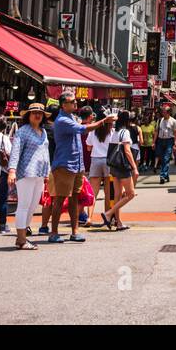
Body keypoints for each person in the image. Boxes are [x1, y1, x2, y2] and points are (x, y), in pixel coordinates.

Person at [48, 91, 106, 243]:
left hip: (76, 164)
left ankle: (75, 231)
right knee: (60, 200)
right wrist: (103, 121)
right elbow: (83, 129)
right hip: (65, 165)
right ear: (63, 104)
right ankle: (53, 232)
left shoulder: (71, 117)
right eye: (72, 101)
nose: (75, 103)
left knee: (75, 199)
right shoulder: (62, 120)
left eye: (75, 101)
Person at [7, 104, 52, 250]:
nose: (37, 115)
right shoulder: (23, 131)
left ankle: (23, 238)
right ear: (28, 115)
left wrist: (47, 173)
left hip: (39, 174)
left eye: (40, 113)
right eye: (34, 113)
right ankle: (21, 239)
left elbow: (45, 153)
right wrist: (12, 170)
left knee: (32, 207)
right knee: (24, 206)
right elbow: (15, 151)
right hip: (26, 173)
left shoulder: (43, 131)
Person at [105, 110, 138, 230]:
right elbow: (127, 151)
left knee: (118, 195)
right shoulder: (125, 132)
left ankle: (118, 222)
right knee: (131, 194)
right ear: (127, 120)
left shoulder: (115, 132)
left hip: (114, 166)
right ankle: (109, 214)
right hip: (123, 166)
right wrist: (134, 167)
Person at [86, 115, 117, 227]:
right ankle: (106, 217)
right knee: (108, 193)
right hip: (108, 161)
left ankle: (89, 217)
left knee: (93, 192)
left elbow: (88, 147)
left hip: (95, 160)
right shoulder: (113, 132)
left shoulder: (93, 131)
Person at [154, 102, 176, 183]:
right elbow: (156, 132)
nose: (163, 114)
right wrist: (154, 142)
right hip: (160, 140)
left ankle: (162, 175)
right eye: (162, 112)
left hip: (169, 141)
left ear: (168, 113)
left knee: (166, 158)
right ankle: (166, 175)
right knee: (162, 159)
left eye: (164, 112)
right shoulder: (159, 120)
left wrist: (175, 143)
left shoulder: (173, 121)